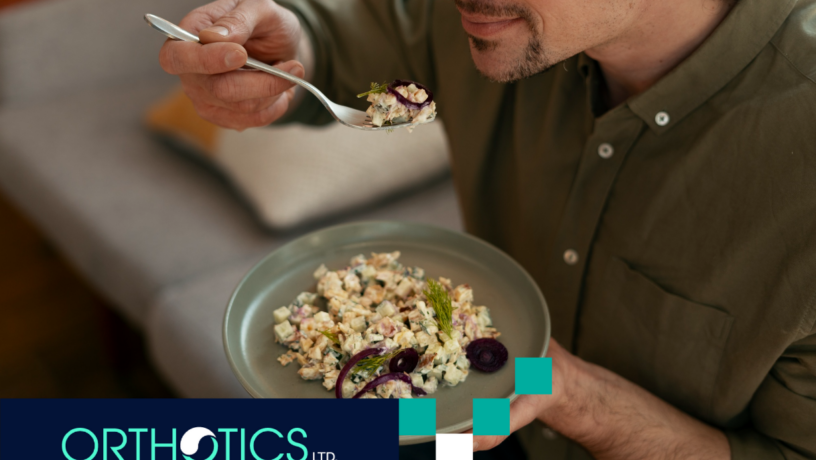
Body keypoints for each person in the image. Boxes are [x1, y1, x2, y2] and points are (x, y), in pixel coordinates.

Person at [158, 0, 816, 457]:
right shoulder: (495, 19)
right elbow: (335, 43)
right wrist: (279, 53)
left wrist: (571, 397)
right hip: (468, 438)